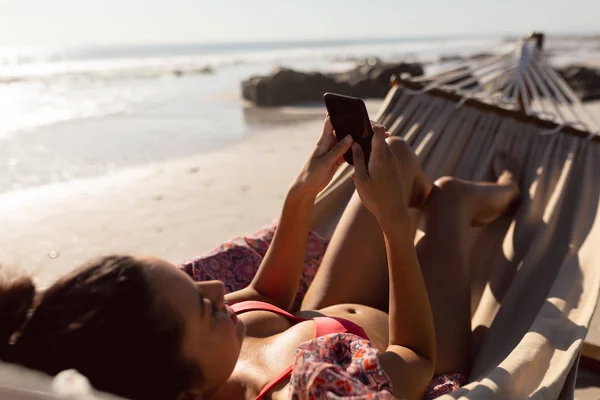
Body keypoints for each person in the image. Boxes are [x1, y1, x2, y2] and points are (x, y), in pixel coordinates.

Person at [0, 117, 519, 400]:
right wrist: (393, 227)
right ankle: (491, 198)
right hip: (423, 348)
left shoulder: (199, 345)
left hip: (330, 311)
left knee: (392, 156)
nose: (216, 289)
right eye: (204, 307)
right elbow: (415, 357)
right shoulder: (312, 393)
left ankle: (415, 193)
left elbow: (268, 297)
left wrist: (304, 191)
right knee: (448, 200)